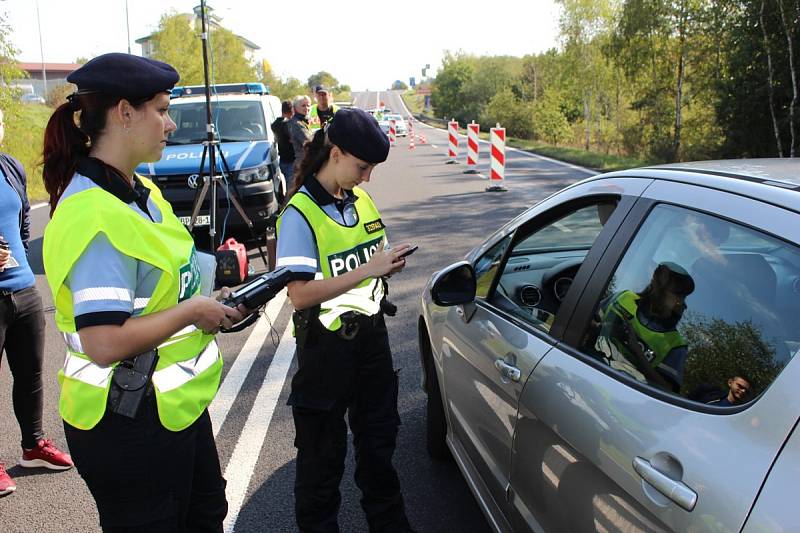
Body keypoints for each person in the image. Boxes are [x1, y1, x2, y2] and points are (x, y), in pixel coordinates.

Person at [40, 53, 246, 531]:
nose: (171, 123)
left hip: (171, 410)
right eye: (161, 109)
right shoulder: (94, 216)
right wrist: (196, 310)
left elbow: (172, 274)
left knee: (206, 515)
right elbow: (104, 342)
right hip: (126, 422)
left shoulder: (141, 193)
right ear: (124, 113)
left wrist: (222, 275)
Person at [276, 108, 414, 533]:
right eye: (362, 167)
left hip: (371, 341)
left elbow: (373, 251)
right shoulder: (299, 214)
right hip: (326, 352)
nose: (367, 177)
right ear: (335, 153)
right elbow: (298, 295)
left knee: (379, 456)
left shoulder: (360, 199)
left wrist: (387, 265)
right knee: (321, 467)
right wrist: (367, 270)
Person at [0, 108, 73, 498]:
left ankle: (34, 446)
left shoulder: (9, 166)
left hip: (24, 289)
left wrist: (19, 257)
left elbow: (25, 222)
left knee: (30, 376)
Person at [594, 262, 695, 392]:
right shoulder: (624, 298)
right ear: (657, 287)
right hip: (589, 371)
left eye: (683, 296)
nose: (680, 301)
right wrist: (603, 327)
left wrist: (637, 351)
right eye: (676, 293)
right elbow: (585, 320)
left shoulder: (675, 344)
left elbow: (667, 392)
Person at [271, 99, 296, 193]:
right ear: (291, 111)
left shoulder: (274, 124)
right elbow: (293, 140)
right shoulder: (287, 124)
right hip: (291, 160)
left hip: (282, 160)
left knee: (287, 187)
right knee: (292, 189)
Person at [288, 95, 313, 177]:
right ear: (295, 108)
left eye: (308, 105)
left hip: (307, 162)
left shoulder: (303, 121)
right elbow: (309, 142)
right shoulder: (297, 123)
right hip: (303, 164)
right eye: (303, 105)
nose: (306, 108)